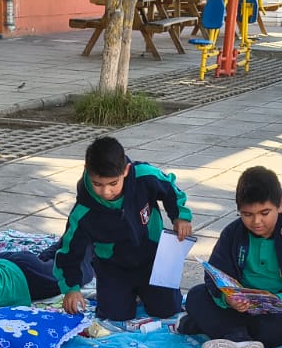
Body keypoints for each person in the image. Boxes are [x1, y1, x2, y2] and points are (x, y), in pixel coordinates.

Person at [176, 166, 282, 348]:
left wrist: (279, 299)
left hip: (275, 309)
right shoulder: (233, 233)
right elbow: (215, 273)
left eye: (264, 212)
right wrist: (229, 298)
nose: (256, 221)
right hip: (239, 304)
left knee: (273, 332)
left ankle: (215, 329)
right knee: (196, 296)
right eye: (247, 214)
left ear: (280, 204)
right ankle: (239, 338)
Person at [54, 136, 192, 321]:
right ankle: (126, 294)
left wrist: (180, 216)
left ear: (125, 171)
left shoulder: (144, 176)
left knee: (168, 309)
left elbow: (169, 188)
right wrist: (71, 288)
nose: (106, 192)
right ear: (87, 170)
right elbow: (70, 251)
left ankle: (146, 293)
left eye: (113, 183)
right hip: (113, 267)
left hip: (154, 258)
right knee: (114, 315)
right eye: (98, 184)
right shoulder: (82, 213)